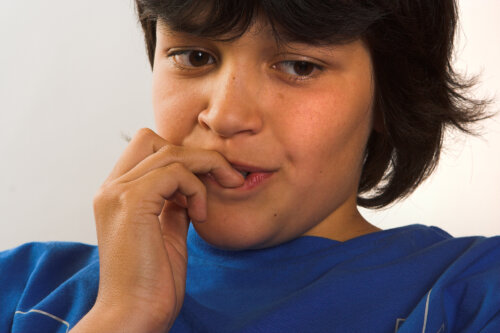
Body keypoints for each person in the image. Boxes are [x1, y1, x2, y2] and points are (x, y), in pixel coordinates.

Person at [1, 0, 499, 332]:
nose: (224, 115)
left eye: (300, 66)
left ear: (391, 98)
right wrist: (117, 318)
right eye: (194, 56)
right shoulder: (23, 285)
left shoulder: (472, 293)